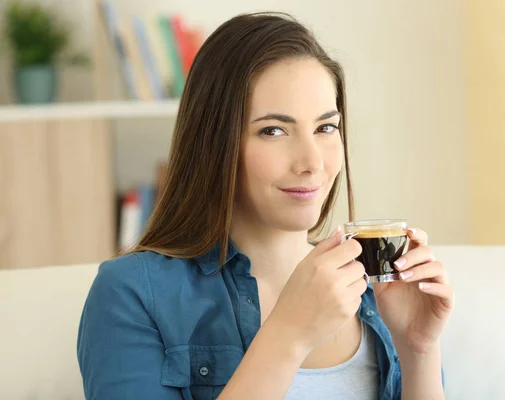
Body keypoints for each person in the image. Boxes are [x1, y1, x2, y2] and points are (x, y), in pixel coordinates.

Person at [77, 12, 454, 400]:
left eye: (326, 127)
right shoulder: (132, 293)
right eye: (273, 130)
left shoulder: (376, 294)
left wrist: (418, 350)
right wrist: (288, 334)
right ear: (214, 145)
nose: (312, 162)